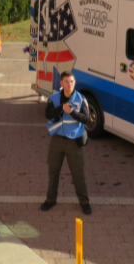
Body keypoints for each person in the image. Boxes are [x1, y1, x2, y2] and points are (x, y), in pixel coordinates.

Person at [41, 71, 92, 215]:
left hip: (73, 142)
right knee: (53, 173)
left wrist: (72, 112)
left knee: (78, 174)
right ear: (61, 84)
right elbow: (47, 114)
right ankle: (50, 200)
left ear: (74, 83)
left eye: (72, 81)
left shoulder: (81, 99)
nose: (69, 84)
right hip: (57, 140)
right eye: (66, 82)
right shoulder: (54, 98)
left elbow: (86, 119)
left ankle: (84, 202)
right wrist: (60, 109)